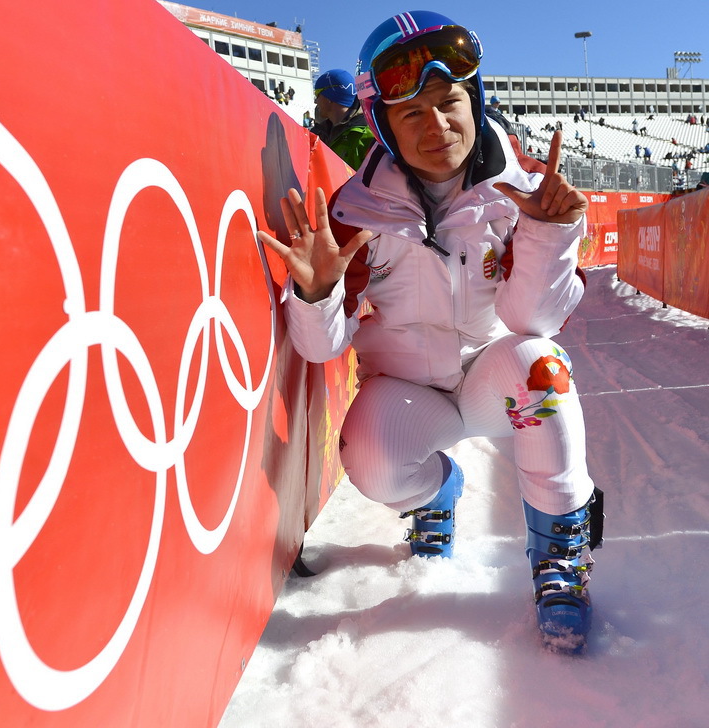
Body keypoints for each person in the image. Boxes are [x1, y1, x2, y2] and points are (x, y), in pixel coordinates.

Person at [258, 10, 602, 652]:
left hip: (491, 380)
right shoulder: (356, 212)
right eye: (412, 114)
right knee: (369, 456)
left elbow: (536, 322)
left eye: (449, 104)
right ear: (385, 127)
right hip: (410, 391)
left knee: (542, 368)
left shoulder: (523, 190)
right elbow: (320, 347)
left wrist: (552, 233)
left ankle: (560, 561)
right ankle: (437, 492)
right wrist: (316, 291)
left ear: (475, 102)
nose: (438, 126)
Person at [311, 68, 376, 170]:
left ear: (329, 97)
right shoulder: (316, 135)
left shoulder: (367, 137)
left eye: (317, 94)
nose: (315, 101)